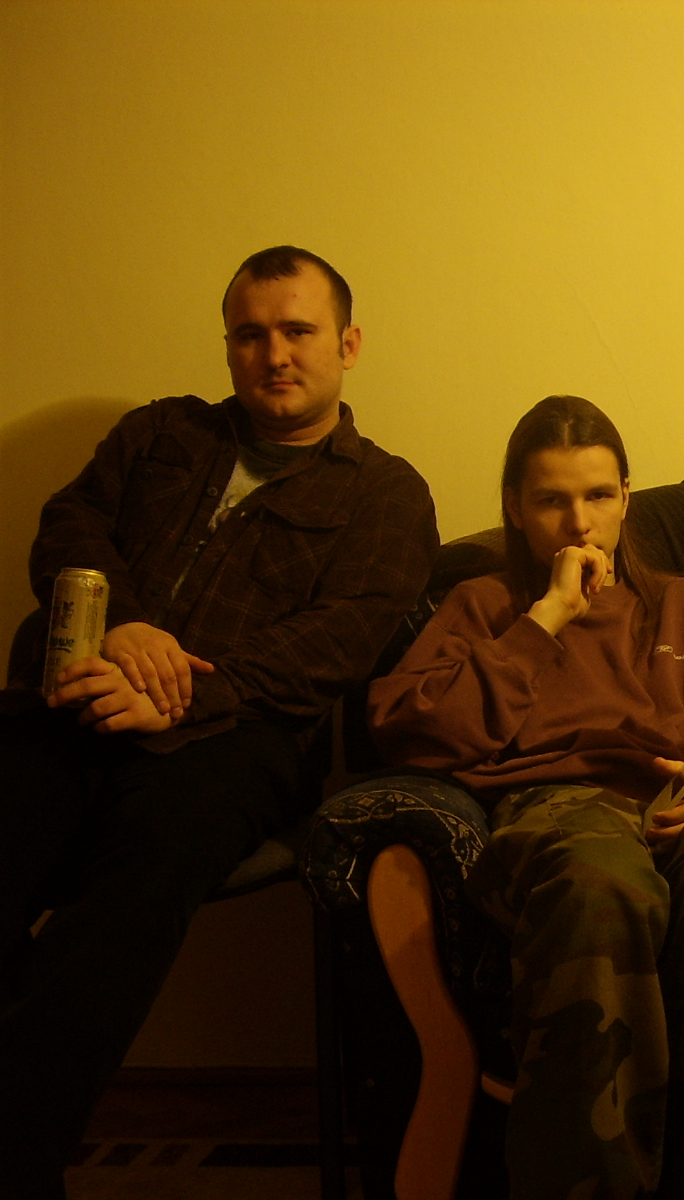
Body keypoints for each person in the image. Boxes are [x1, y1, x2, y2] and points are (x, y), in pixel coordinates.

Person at [0, 246, 438, 1198]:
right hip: (74, 700)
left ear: (348, 345)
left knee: (126, 902)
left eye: (298, 331)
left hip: (236, 742)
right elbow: (69, 527)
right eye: (250, 334)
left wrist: (181, 690)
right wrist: (123, 627)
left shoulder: (385, 493)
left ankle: (11, 1157)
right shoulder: (161, 433)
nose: (273, 354)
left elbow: (340, 640)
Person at [368, 395, 684, 1200]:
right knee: (603, 880)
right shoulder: (484, 606)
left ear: (626, 496)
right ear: (515, 507)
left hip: (673, 801)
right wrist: (546, 618)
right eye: (552, 500)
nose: (579, 522)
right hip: (557, 805)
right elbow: (409, 729)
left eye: (599, 495)